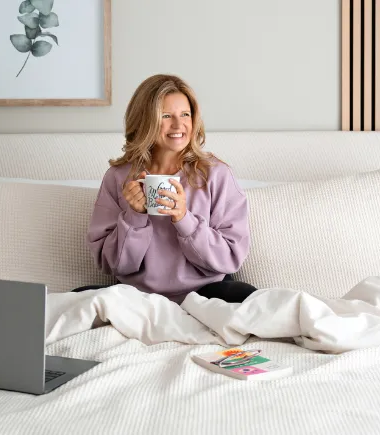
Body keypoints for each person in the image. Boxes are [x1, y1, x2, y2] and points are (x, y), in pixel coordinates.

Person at [76, 74, 257, 304]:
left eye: (185, 115)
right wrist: (134, 217)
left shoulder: (216, 174)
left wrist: (184, 219)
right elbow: (112, 265)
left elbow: (231, 258)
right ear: (145, 120)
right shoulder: (118, 177)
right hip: (138, 297)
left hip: (206, 293)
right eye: (166, 116)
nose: (179, 125)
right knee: (76, 300)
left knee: (250, 298)